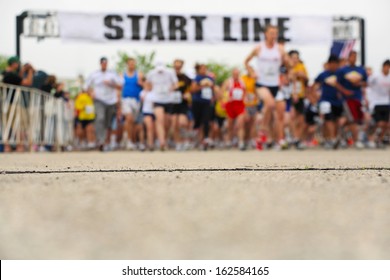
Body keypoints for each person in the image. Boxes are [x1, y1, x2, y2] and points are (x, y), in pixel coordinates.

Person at [244, 25, 290, 147]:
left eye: (275, 33)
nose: (273, 35)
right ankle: (263, 130)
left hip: (276, 84)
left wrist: (286, 75)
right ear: (265, 34)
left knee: (280, 115)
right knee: (269, 104)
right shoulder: (259, 48)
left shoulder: (280, 49)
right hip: (262, 83)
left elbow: (288, 65)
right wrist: (252, 72)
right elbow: (246, 61)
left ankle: (279, 140)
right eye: (271, 33)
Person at [84, 57, 123, 151]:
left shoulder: (112, 74)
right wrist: (91, 92)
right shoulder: (94, 74)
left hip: (111, 101)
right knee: (100, 118)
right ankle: (101, 141)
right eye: (102, 63)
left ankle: (107, 142)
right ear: (100, 63)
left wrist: (111, 84)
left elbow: (120, 86)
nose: (104, 64)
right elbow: (86, 86)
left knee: (108, 123)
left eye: (105, 63)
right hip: (99, 100)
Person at [336, 50, 368, 149]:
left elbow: (366, 83)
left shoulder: (361, 70)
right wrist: (344, 91)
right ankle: (356, 141)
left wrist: (360, 84)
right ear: (348, 58)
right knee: (353, 119)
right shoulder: (342, 70)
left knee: (357, 119)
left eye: (355, 56)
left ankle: (339, 134)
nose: (354, 58)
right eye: (352, 56)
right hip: (347, 99)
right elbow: (337, 83)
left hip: (358, 97)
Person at [313, 55, 343, 149]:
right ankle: (331, 139)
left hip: (338, 102)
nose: (334, 66)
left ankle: (332, 138)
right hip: (325, 101)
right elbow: (314, 87)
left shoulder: (340, 75)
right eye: (332, 64)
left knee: (337, 121)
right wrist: (315, 99)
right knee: (328, 120)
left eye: (335, 64)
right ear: (329, 64)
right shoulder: (323, 75)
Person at [146, 61, 178, 150]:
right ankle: (162, 142)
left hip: (168, 99)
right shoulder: (151, 73)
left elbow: (176, 84)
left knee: (167, 122)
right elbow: (148, 85)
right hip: (157, 99)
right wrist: (150, 92)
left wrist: (170, 89)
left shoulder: (171, 72)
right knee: (159, 120)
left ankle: (165, 139)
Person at [366, 59, 390, 148]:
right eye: (386, 67)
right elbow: (367, 86)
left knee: (386, 124)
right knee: (378, 123)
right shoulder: (375, 77)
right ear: (383, 67)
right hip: (376, 103)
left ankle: (379, 140)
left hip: (386, 103)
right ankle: (370, 139)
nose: (387, 69)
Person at [191, 63, 215, 150]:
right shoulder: (197, 78)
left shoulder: (210, 78)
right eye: (202, 68)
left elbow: (213, 89)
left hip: (207, 102)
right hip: (197, 102)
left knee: (205, 120)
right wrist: (202, 86)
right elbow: (193, 89)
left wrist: (213, 96)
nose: (204, 70)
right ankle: (197, 136)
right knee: (197, 121)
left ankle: (205, 138)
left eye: (205, 68)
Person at [121, 58, 144, 150]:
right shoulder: (122, 75)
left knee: (133, 122)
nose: (131, 65)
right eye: (130, 64)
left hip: (136, 101)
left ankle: (132, 141)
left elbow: (146, 85)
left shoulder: (139, 74)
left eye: (133, 64)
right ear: (127, 64)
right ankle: (129, 140)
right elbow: (119, 88)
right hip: (126, 100)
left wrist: (141, 83)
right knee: (129, 118)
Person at [222, 68, 247, 150]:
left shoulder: (242, 82)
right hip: (230, 105)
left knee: (240, 124)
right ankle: (229, 140)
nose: (236, 75)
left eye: (237, 74)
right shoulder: (228, 82)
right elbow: (222, 92)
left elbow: (245, 92)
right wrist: (224, 100)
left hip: (240, 105)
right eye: (234, 74)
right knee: (230, 125)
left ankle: (241, 142)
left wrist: (245, 99)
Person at [289, 50, 309, 149]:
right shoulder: (287, 67)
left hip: (300, 96)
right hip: (290, 95)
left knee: (300, 119)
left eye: (297, 57)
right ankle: (293, 137)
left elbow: (306, 79)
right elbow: (288, 79)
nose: (295, 60)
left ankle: (298, 138)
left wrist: (300, 75)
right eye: (293, 57)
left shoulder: (301, 67)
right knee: (292, 117)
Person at [171, 59, 192, 151]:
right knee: (175, 124)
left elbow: (191, 89)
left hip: (183, 103)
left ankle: (185, 140)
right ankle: (178, 143)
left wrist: (188, 94)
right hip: (172, 103)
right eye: (176, 66)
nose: (177, 68)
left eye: (179, 66)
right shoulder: (169, 77)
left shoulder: (186, 78)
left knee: (182, 123)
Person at [241, 66, 258, 148]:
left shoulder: (255, 79)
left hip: (253, 103)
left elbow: (257, 90)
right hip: (244, 104)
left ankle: (251, 139)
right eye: (248, 70)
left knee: (253, 123)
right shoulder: (242, 78)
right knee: (245, 123)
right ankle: (244, 139)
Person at [140, 81, 156, 151]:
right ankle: (145, 144)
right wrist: (146, 91)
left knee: (152, 129)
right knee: (147, 128)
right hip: (146, 112)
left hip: (153, 112)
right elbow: (142, 100)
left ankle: (151, 143)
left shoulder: (154, 93)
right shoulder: (142, 92)